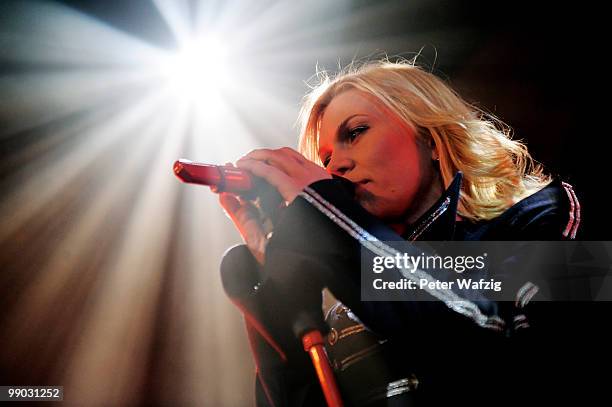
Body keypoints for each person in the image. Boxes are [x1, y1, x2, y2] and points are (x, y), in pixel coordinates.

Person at [216, 60, 588, 406]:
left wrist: (333, 221)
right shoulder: (350, 306)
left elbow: (499, 348)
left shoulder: (552, 212)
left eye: (356, 132)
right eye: (326, 160)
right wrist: (281, 313)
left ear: (430, 137)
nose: (337, 166)